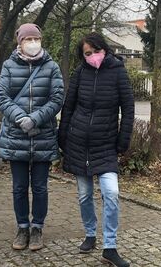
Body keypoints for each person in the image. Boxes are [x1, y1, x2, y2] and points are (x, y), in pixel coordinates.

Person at [58, 32, 134, 267]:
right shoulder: (80, 72)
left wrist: (123, 141)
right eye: (87, 53)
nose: (92, 56)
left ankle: (109, 247)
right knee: (84, 195)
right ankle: (90, 233)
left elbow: (128, 108)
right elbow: (68, 105)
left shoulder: (118, 71)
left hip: (106, 144)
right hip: (79, 143)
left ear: (105, 49)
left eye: (95, 51)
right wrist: (63, 135)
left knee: (110, 193)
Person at [0, 23, 64, 251]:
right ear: (20, 42)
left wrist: (35, 119)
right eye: (28, 39)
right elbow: (1, 96)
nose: (33, 43)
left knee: (40, 187)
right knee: (19, 187)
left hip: (42, 135)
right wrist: (21, 118)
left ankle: (37, 228)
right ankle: (22, 226)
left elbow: (57, 98)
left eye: (36, 39)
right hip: (16, 136)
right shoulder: (8, 65)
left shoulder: (52, 67)